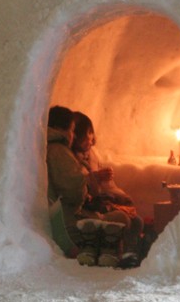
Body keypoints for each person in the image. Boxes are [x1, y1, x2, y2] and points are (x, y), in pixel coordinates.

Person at [46, 105, 141, 268]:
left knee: (129, 217)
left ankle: (115, 255)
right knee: (123, 219)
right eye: (72, 130)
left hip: (72, 214)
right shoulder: (59, 152)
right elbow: (73, 191)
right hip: (69, 220)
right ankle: (114, 256)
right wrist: (90, 183)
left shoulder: (61, 151)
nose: (72, 135)